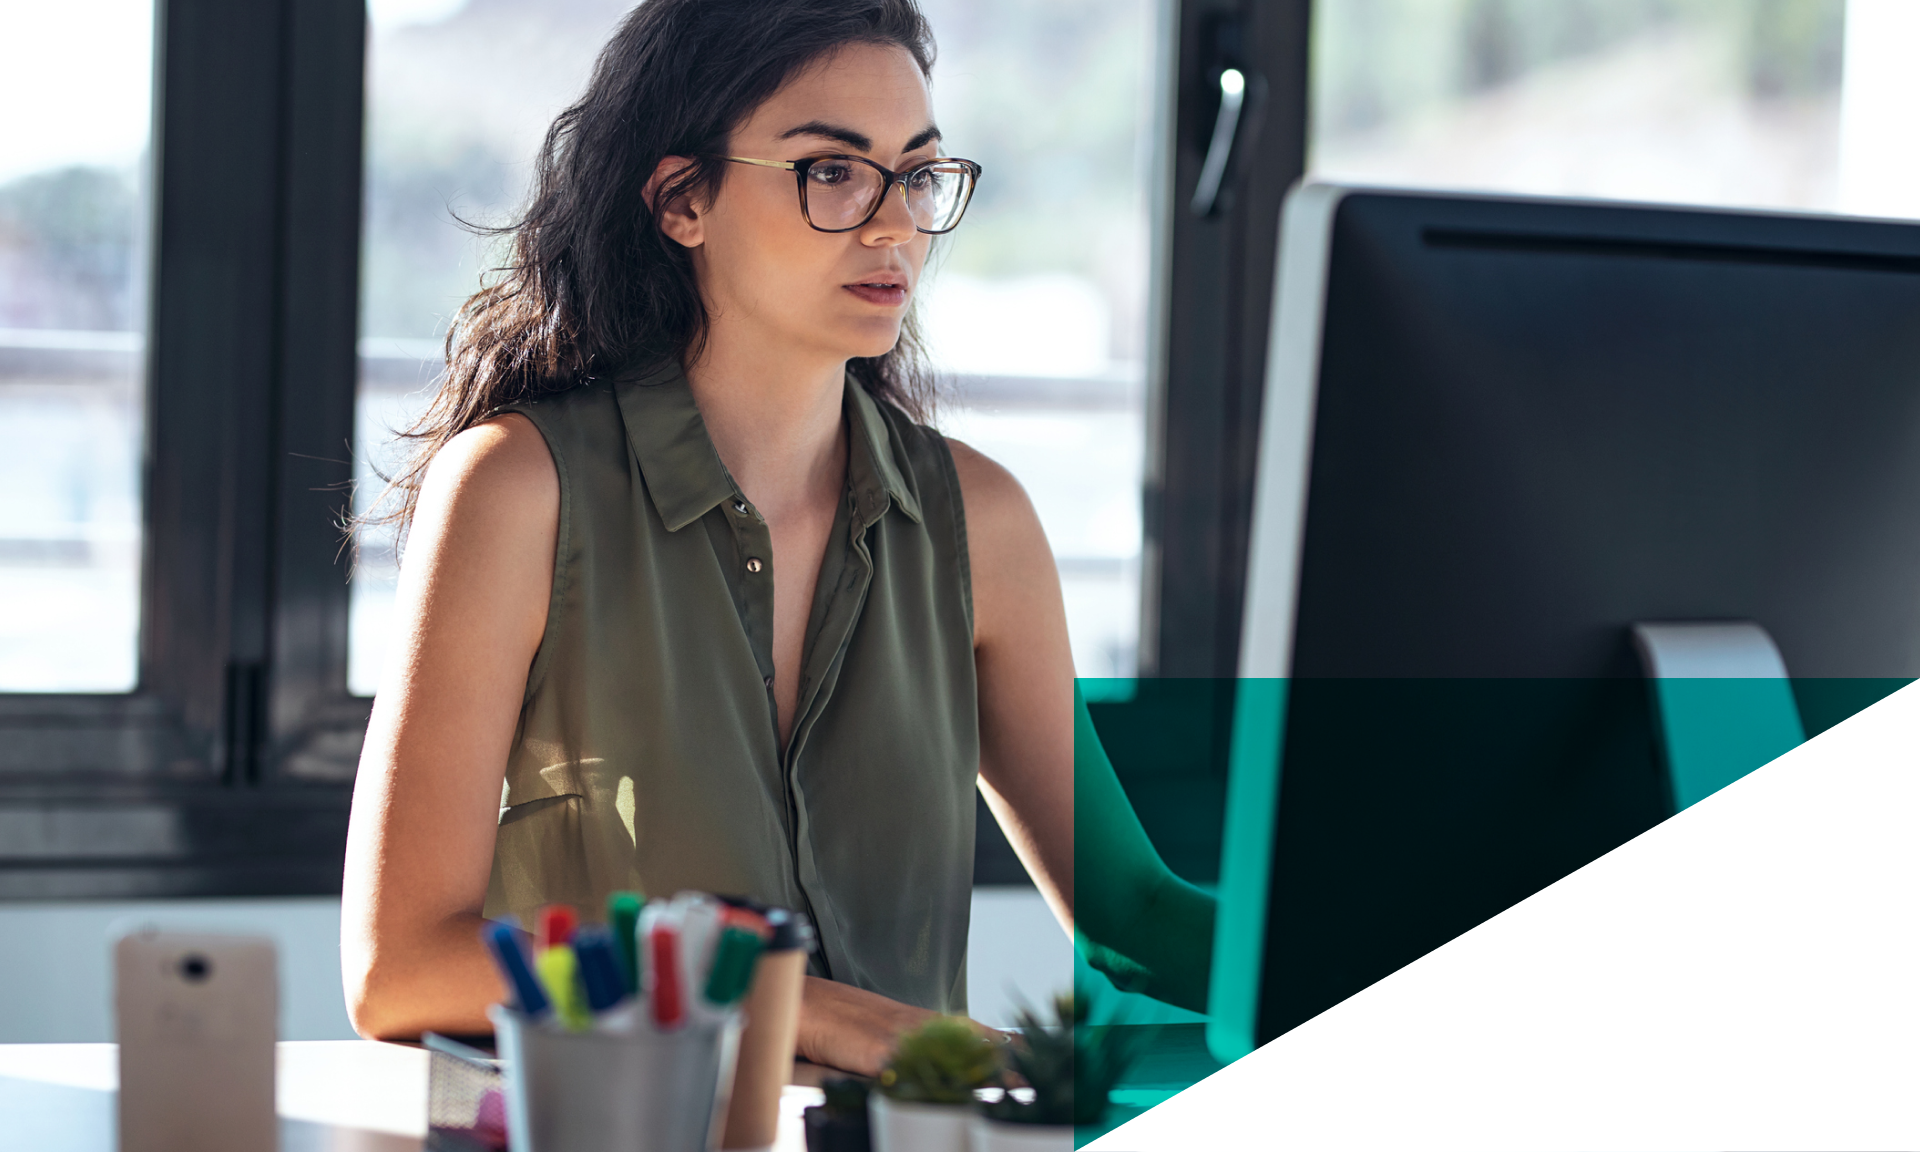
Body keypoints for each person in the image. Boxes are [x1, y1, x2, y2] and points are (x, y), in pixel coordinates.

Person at [340, 0, 1211, 1076]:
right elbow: (402, 965)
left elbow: (1129, 908)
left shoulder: (980, 522)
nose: (894, 225)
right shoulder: (518, 492)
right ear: (680, 200)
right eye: (831, 172)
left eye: (918, 175)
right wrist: (796, 1005)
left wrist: (1432, 962)